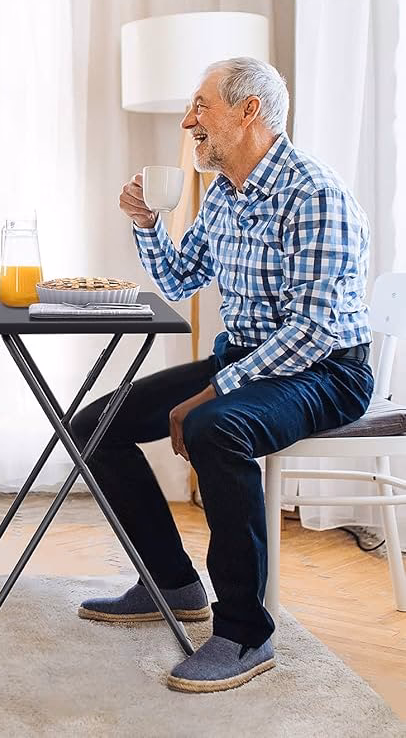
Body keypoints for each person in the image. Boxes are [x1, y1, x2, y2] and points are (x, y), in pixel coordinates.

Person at [71, 57, 374, 692]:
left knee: (214, 427)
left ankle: (244, 632)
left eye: (200, 107)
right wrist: (146, 224)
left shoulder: (314, 194)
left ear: (248, 112)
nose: (188, 122)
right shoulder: (226, 196)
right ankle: (172, 585)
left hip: (324, 371)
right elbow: (181, 279)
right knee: (93, 426)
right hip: (248, 361)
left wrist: (213, 391)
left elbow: (315, 329)